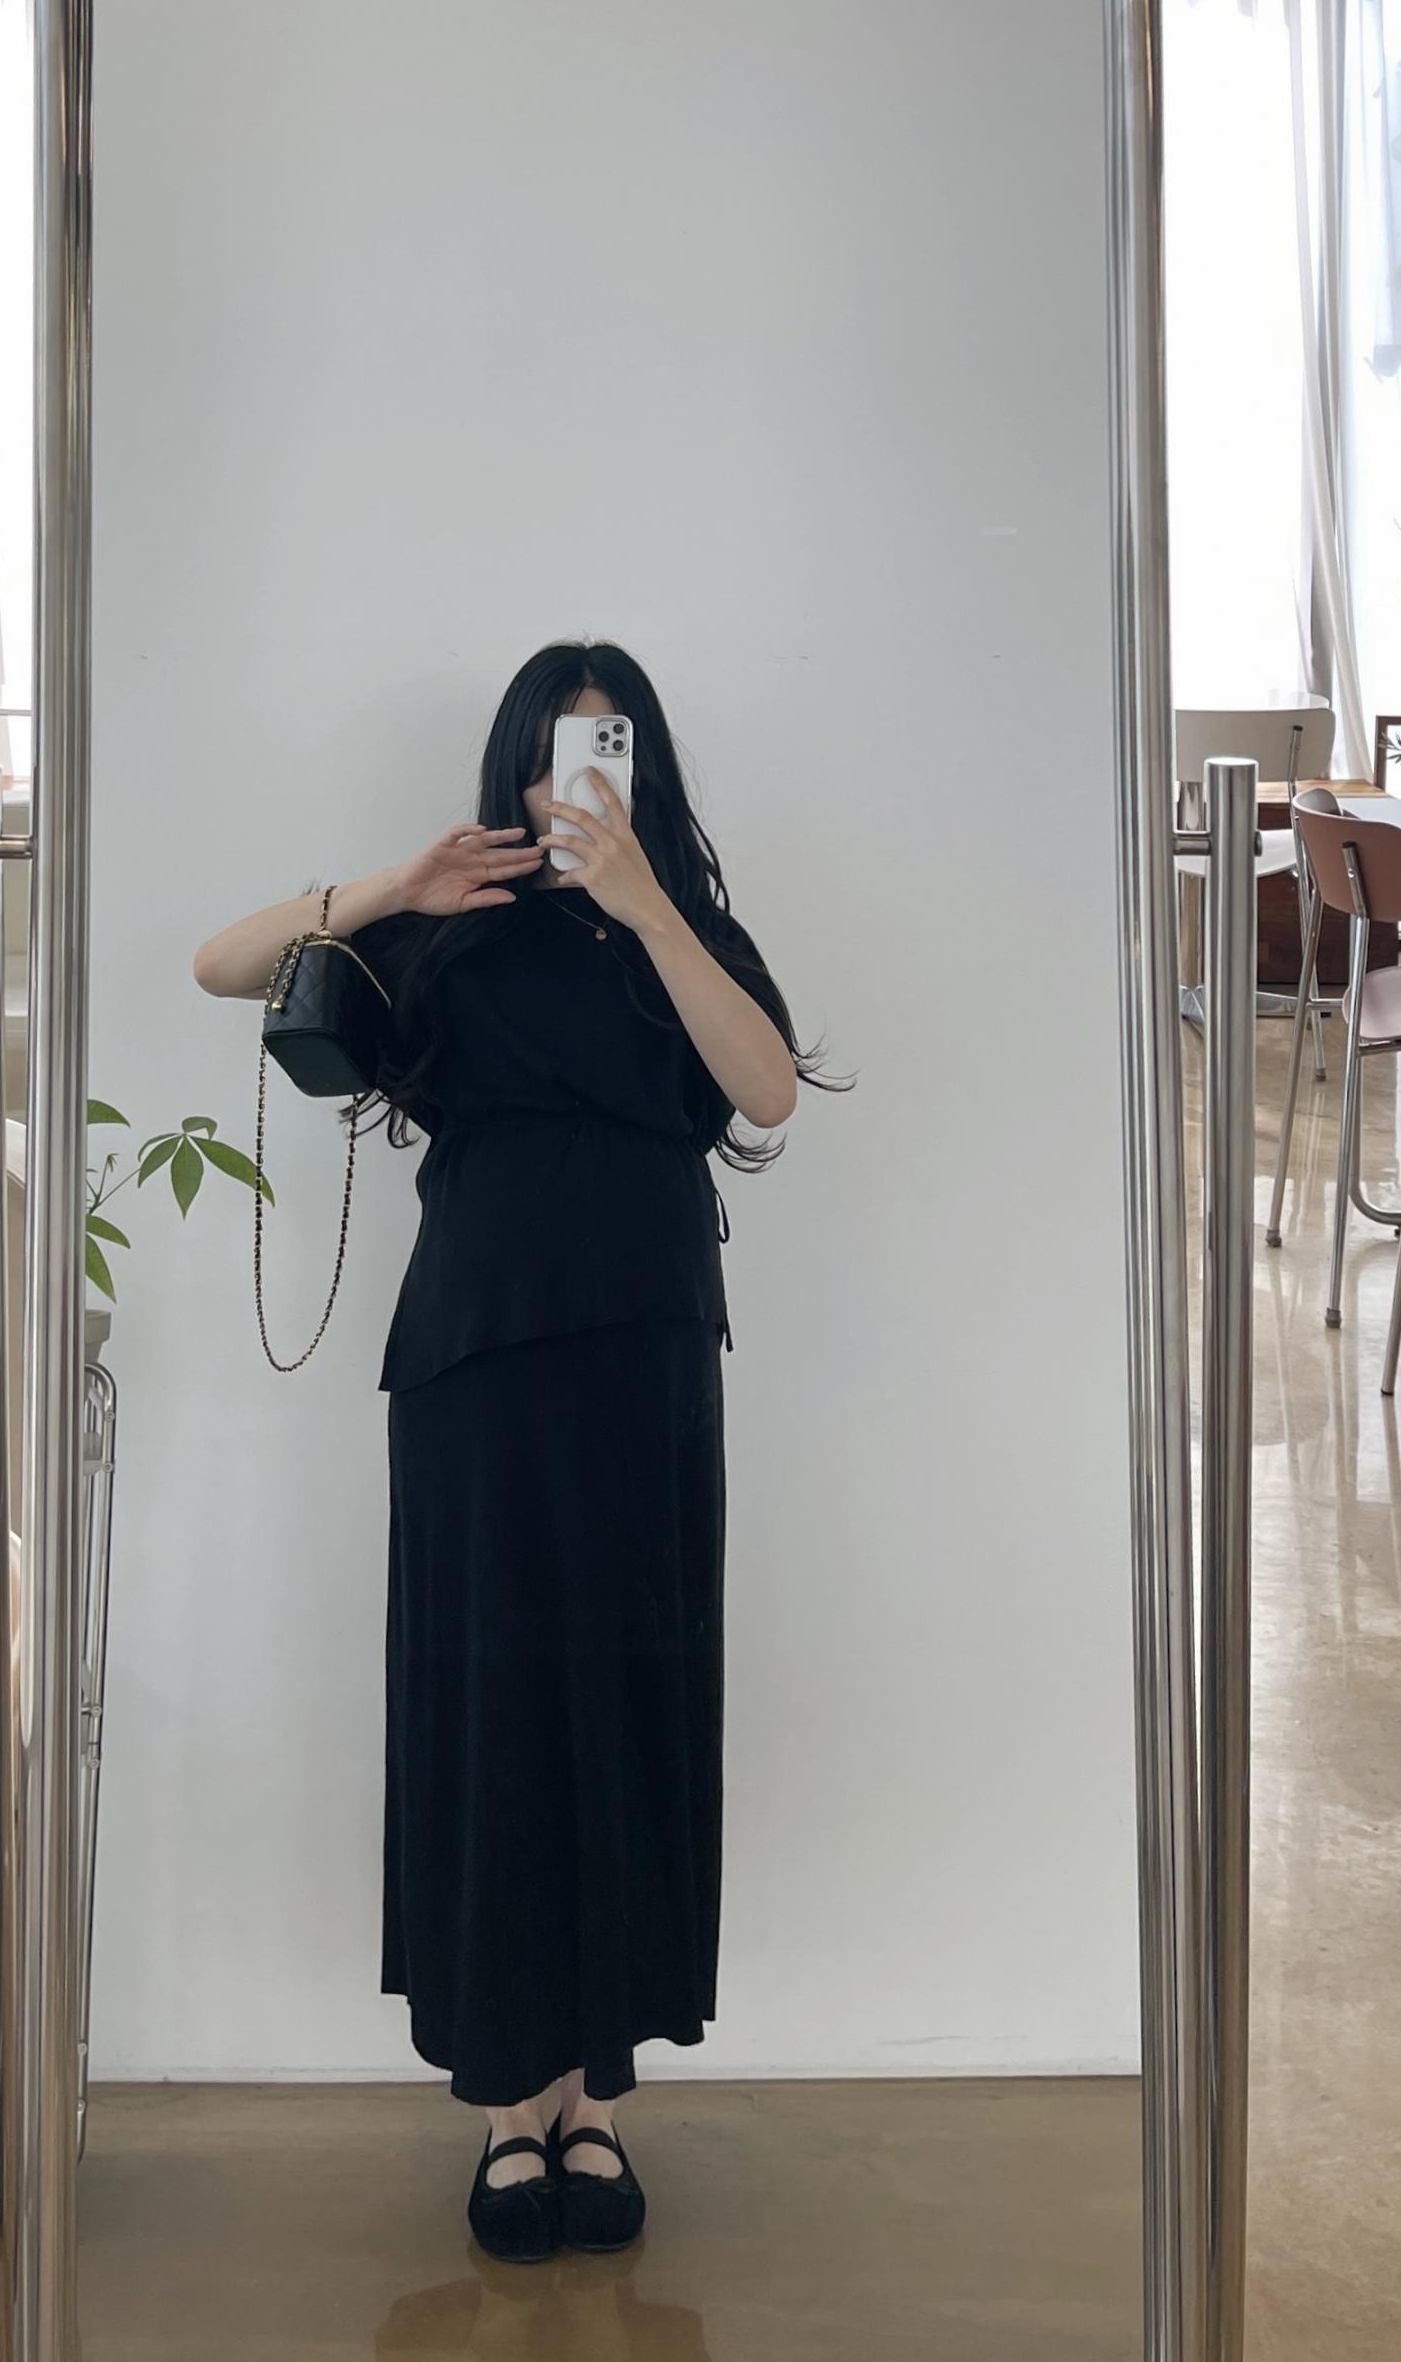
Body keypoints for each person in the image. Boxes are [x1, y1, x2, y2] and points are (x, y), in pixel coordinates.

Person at [193, 640, 842, 2261]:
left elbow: (767, 1090)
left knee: (625, 1709)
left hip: (647, 1359)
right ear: (515, 768)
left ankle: (596, 2096)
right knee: (492, 1715)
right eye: (557, 751)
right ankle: (507, 2103)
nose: (580, 780)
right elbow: (219, 963)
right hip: (475, 1363)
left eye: (608, 747)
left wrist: (646, 905)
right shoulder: (445, 925)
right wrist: (392, 884)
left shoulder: (680, 929)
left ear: (643, 766)